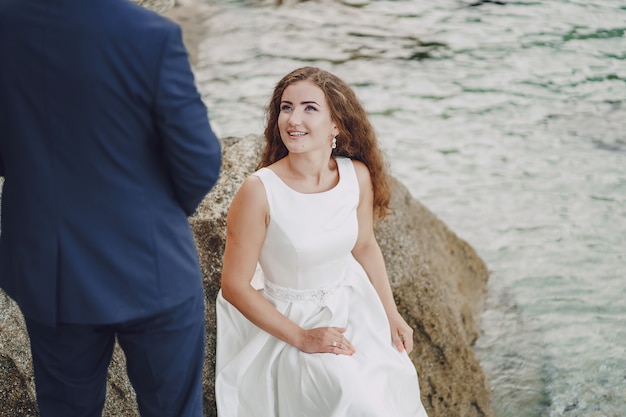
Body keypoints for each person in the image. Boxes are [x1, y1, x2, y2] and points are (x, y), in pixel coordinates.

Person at [0, 0, 222, 416]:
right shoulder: (150, 35)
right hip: (151, 267)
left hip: (51, 269)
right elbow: (198, 161)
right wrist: (155, 216)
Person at [215, 66, 428, 416]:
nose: (293, 119)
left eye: (309, 108)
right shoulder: (259, 191)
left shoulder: (355, 175)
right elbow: (235, 285)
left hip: (355, 309)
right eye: (286, 107)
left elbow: (364, 246)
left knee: (395, 389)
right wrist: (302, 337)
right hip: (293, 323)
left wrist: (391, 315)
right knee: (356, 402)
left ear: (336, 124)